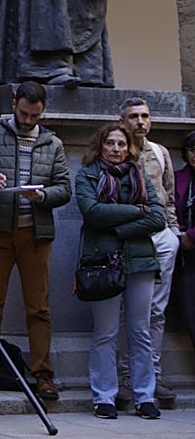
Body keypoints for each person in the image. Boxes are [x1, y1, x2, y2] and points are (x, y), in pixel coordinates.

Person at [0, 80, 70, 399]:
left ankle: (43, 374)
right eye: (25, 114)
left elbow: (65, 188)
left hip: (35, 233)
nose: (28, 121)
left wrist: (42, 195)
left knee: (38, 307)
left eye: (35, 116)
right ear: (15, 103)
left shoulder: (52, 143)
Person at [75, 122, 165, 420]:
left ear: (130, 148)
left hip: (140, 262)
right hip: (103, 263)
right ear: (100, 145)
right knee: (106, 332)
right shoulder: (87, 175)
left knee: (140, 331)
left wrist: (119, 227)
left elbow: (159, 218)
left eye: (121, 144)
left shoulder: (139, 176)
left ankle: (145, 396)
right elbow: (92, 212)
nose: (116, 149)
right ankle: (104, 397)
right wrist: (138, 212)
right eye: (110, 143)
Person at [113, 98, 180, 409]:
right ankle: (126, 377)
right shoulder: (114, 151)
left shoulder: (160, 153)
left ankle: (153, 374)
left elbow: (168, 198)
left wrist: (174, 234)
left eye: (145, 116)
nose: (140, 121)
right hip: (128, 239)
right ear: (122, 120)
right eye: (133, 116)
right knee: (128, 311)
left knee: (156, 310)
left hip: (161, 238)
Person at [174, 132, 195, 352]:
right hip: (186, 257)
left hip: (190, 241)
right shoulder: (179, 177)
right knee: (190, 312)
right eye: (192, 150)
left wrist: (192, 236)